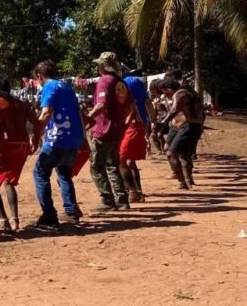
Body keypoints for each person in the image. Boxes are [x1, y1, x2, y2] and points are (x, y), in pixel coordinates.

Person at [31, 60, 84, 228]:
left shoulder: (48, 87)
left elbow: (46, 113)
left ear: (39, 76)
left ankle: (49, 215)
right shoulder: (67, 87)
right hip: (73, 139)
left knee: (40, 173)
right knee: (64, 173)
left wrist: (36, 136)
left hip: (56, 140)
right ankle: (71, 211)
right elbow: (79, 112)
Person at [0, 77, 39, 233]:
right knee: (8, 182)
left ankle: (3, 220)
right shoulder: (22, 103)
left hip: (8, 145)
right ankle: (14, 220)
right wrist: (34, 139)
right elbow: (35, 121)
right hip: (23, 145)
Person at [87, 52, 133, 211]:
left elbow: (102, 105)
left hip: (102, 130)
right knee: (113, 165)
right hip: (117, 130)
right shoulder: (121, 82)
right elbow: (130, 105)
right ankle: (122, 199)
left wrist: (87, 119)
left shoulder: (104, 81)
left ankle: (107, 200)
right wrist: (124, 122)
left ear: (103, 66)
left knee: (96, 166)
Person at [155, 78, 204, 189]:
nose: (164, 94)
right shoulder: (181, 94)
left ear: (169, 88)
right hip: (178, 126)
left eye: (165, 91)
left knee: (172, 153)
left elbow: (174, 110)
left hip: (189, 126)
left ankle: (183, 182)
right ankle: (187, 180)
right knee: (175, 151)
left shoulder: (180, 94)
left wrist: (163, 122)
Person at [120, 75, 154, 203]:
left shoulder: (125, 95)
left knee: (122, 161)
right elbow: (150, 109)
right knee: (130, 162)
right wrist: (151, 123)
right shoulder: (142, 92)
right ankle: (138, 192)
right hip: (140, 126)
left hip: (130, 128)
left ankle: (133, 192)